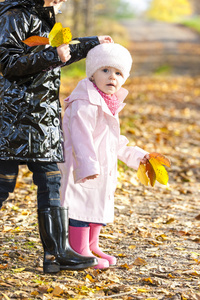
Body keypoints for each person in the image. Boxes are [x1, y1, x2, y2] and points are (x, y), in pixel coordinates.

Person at [0, 0, 113, 274]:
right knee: (2, 185)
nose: (61, 1)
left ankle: (56, 254)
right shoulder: (14, 15)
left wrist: (91, 43)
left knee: (51, 180)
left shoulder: (43, 16)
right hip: (15, 117)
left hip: (41, 118)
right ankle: (56, 254)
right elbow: (8, 63)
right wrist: (53, 56)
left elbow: (57, 53)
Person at [59, 43, 150, 269]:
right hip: (82, 166)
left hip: (99, 166)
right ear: (93, 73)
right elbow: (81, 137)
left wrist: (137, 156)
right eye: (105, 70)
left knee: (96, 205)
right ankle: (79, 250)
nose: (112, 77)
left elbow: (113, 141)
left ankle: (92, 245)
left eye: (118, 73)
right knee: (80, 206)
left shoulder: (109, 102)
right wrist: (88, 167)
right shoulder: (85, 102)